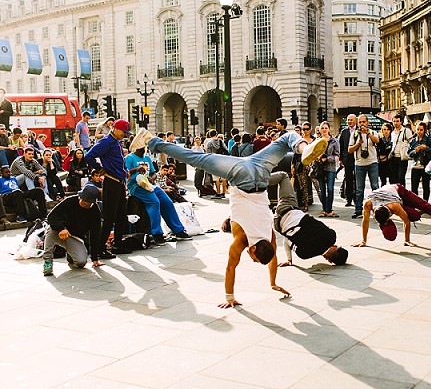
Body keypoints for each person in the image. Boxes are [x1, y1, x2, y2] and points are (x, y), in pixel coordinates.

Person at [129, 127, 329, 308]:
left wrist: (273, 283)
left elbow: (273, 257)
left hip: (260, 170)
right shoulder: (241, 239)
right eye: (253, 258)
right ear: (251, 249)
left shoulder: (269, 237)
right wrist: (229, 297)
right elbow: (230, 268)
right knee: (196, 159)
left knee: (287, 137)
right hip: (241, 176)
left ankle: (304, 147)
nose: (251, 259)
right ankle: (152, 140)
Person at [269, 171, 348, 267]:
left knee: (283, 176)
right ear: (330, 261)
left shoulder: (331, 236)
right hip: (278, 225)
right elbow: (286, 240)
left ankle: (257, 181)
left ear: (336, 246)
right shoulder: (304, 254)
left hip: (290, 208)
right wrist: (289, 260)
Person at [351, 184, 431, 247]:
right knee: (414, 215)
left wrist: (407, 240)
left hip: (401, 193)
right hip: (389, 198)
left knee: (427, 207)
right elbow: (365, 221)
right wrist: (363, 241)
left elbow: (406, 221)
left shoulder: (395, 207)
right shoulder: (368, 204)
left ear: (389, 215)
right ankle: (419, 212)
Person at [84, 119, 134, 258]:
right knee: (109, 217)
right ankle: (100, 249)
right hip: (111, 183)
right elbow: (89, 156)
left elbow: (118, 161)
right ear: (116, 129)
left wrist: (125, 171)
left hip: (119, 182)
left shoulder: (117, 142)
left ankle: (118, 244)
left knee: (121, 216)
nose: (125, 135)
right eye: (124, 132)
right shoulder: (106, 142)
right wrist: (100, 169)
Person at [124, 147, 192, 244]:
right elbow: (126, 174)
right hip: (136, 186)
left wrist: (152, 178)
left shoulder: (147, 158)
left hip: (150, 184)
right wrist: (136, 169)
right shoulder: (129, 158)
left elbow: (153, 173)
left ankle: (178, 230)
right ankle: (156, 233)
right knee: (154, 202)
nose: (145, 148)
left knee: (167, 202)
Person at [42, 185, 104, 276]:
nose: (82, 204)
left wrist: (95, 259)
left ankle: (71, 255)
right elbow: (51, 216)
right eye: (82, 200)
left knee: (81, 262)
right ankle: (48, 262)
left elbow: (95, 235)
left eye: (86, 204)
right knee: (50, 228)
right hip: (59, 232)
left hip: (74, 237)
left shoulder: (95, 212)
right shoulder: (69, 201)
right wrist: (61, 228)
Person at [349, 114, 380, 219]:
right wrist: (358, 143)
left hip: (372, 163)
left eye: (364, 122)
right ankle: (358, 210)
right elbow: (349, 150)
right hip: (359, 164)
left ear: (368, 123)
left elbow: (377, 141)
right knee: (359, 189)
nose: (362, 124)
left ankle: (377, 209)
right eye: (360, 122)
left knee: (375, 187)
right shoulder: (354, 134)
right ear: (358, 123)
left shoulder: (373, 132)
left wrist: (368, 134)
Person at [408, 121, 431, 202]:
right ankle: (416, 203)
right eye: (417, 129)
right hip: (415, 165)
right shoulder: (413, 140)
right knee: (414, 187)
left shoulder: (428, 139)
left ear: (424, 130)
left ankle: (425, 203)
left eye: (421, 130)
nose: (419, 131)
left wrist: (426, 148)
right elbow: (409, 153)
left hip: (425, 165)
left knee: (426, 186)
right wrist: (415, 151)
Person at [315, 121, 340, 217]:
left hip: (330, 167)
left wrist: (327, 158)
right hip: (320, 168)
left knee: (330, 189)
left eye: (326, 128)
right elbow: (313, 153)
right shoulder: (317, 141)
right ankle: (324, 209)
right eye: (322, 128)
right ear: (320, 130)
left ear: (329, 129)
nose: (324, 130)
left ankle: (329, 210)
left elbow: (337, 156)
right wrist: (317, 157)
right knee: (322, 190)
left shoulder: (334, 141)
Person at [339, 114, 357, 207]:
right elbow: (341, 146)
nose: (349, 121)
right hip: (347, 160)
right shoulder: (344, 132)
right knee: (348, 180)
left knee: (357, 180)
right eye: (348, 120)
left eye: (351, 120)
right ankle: (348, 199)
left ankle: (356, 199)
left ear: (355, 121)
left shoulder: (359, 130)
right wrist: (341, 159)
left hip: (358, 159)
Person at [389, 114, 413, 185]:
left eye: (397, 121)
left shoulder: (406, 131)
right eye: (394, 121)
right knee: (394, 178)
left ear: (401, 122)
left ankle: (403, 194)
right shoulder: (393, 133)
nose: (395, 123)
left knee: (401, 178)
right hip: (394, 158)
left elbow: (411, 143)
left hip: (402, 158)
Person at [204, 129, 228, 199]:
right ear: (216, 134)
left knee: (216, 178)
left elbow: (208, 153)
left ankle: (218, 192)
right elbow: (226, 150)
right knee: (223, 178)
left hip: (214, 161)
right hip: (222, 161)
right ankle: (223, 192)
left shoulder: (209, 143)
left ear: (210, 135)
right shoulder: (221, 141)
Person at [376, 122, 393, 186]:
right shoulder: (379, 140)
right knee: (383, 181)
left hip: (391, 162)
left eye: (388, 129)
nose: (386, 131)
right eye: (384, 129)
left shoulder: (393, 140)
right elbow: (377, 150)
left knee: (392, 181)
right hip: (382, 163)